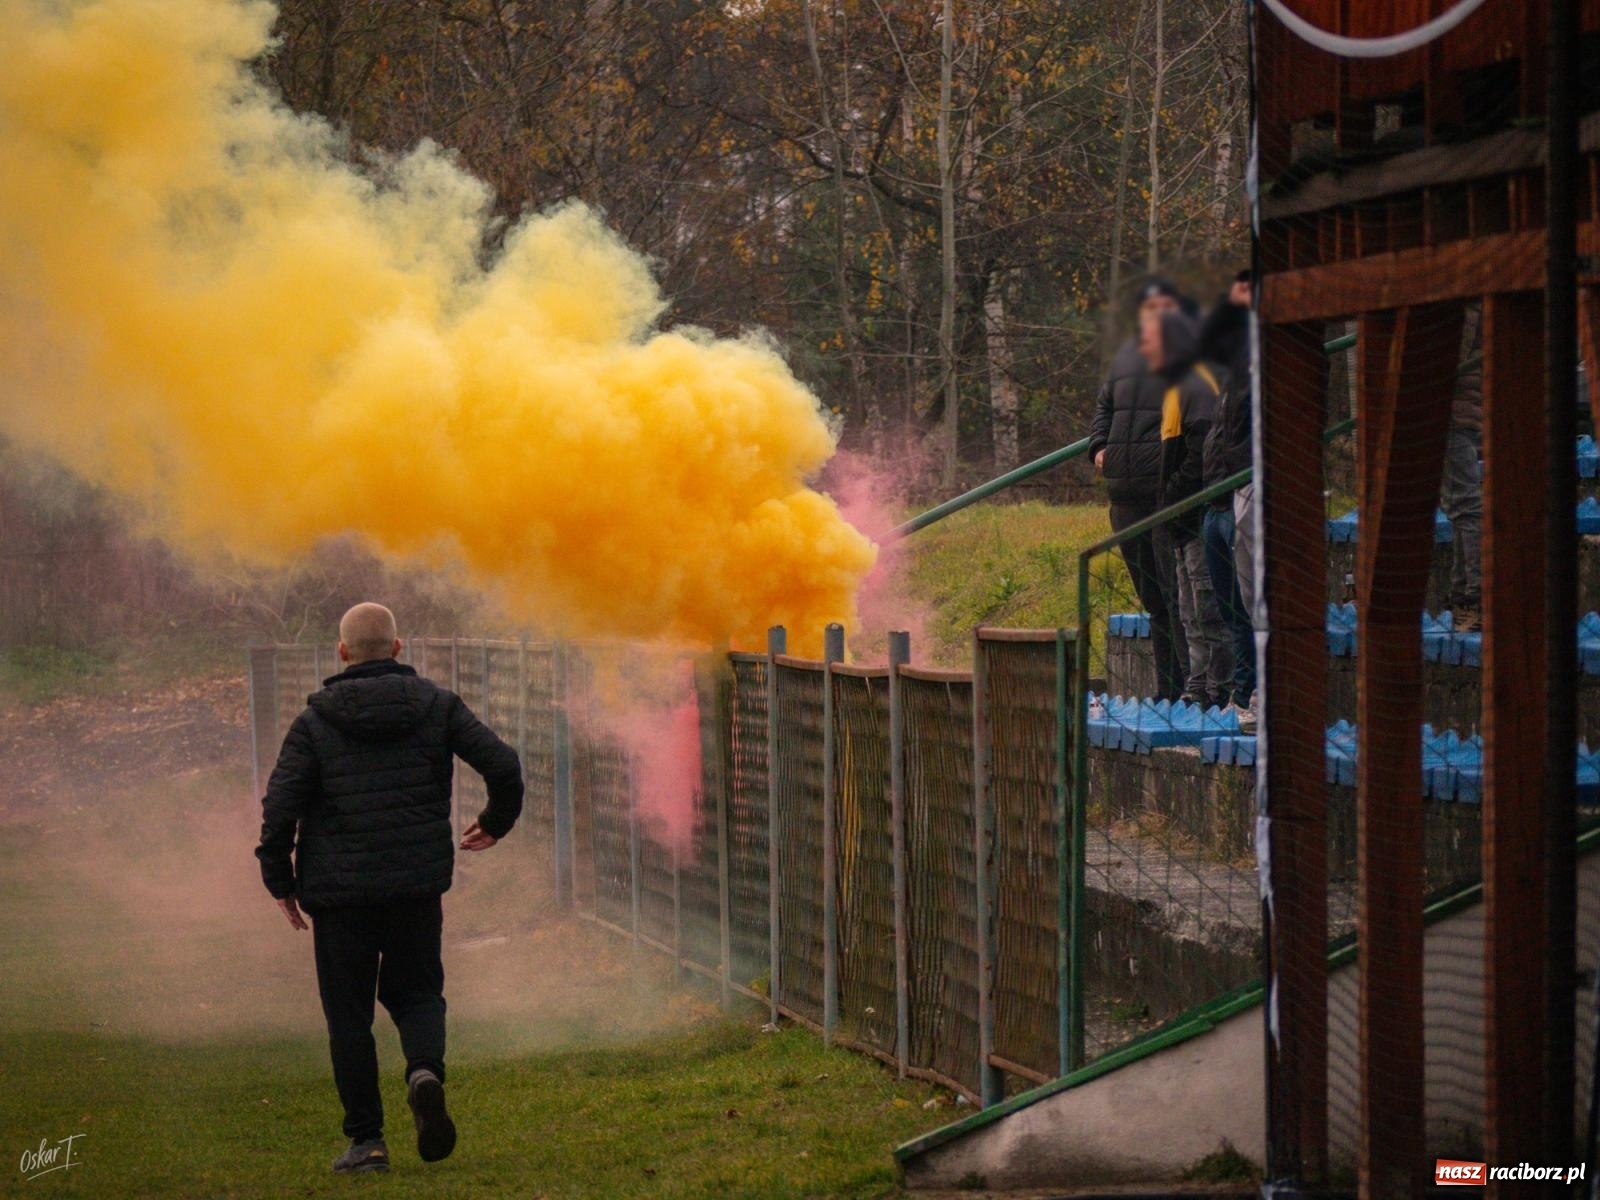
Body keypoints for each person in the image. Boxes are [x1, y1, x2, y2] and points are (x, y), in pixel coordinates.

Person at [255, 602, 524, 1174]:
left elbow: (280, 809)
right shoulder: (437, 706)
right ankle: (424, 1071)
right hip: (414, 885)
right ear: (399, 648)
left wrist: (280, 878)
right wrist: (495, 822)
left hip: (339, 896)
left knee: (349, 1016)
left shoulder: (315, 722)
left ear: (342, 651)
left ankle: (367, 1143)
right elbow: (502, 764)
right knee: (418, 992)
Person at [1088, 277, 1194, 700]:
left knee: (1175, 598)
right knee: (1152, 599)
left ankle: (1186, 689)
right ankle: (1168, 690)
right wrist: (1098, 446)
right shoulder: (1126, 358)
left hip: (1163, 497)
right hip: (1124, 498)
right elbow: (1104, 409)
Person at [1141, 303, 1230, 706]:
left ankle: (1221, 686)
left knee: (1206, 604)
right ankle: (1198, 684)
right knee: (1187, 608)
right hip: (1178, 516)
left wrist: (1175, 494)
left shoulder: (1197, 385)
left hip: (1194, 511)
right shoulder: (1175, 389)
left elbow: (1200, 453)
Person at [1198, 272, 1256, 714]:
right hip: (1215, 501)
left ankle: (1249, 693)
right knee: (1228, 610)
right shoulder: (1229, 371)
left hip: (1243, 495)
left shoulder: (1267, 361)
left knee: (1249, 607)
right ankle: (1241, 695)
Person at [1442, 303, 1482, 632]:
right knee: (1460, 506)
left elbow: (1451, 361)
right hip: (1462, 413)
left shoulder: (1467, 306)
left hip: (1453, 413)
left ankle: (1474, 596)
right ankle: (1462, 595)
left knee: (1466, 505)